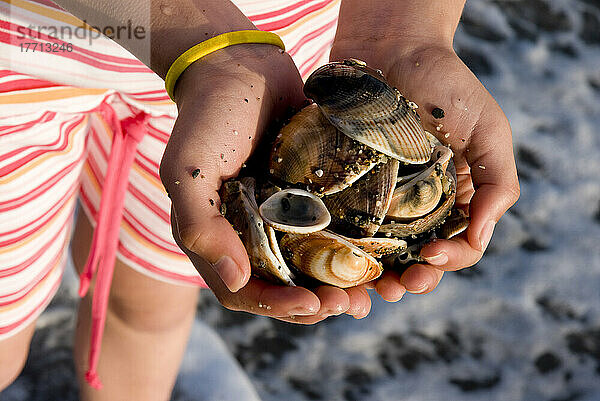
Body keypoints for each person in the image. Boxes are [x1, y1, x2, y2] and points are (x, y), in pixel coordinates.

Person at [0, 0, 520, 399]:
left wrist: (404, 33)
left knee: (148, 309)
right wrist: (209, 47)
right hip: (22, 53)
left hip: (257, 79)